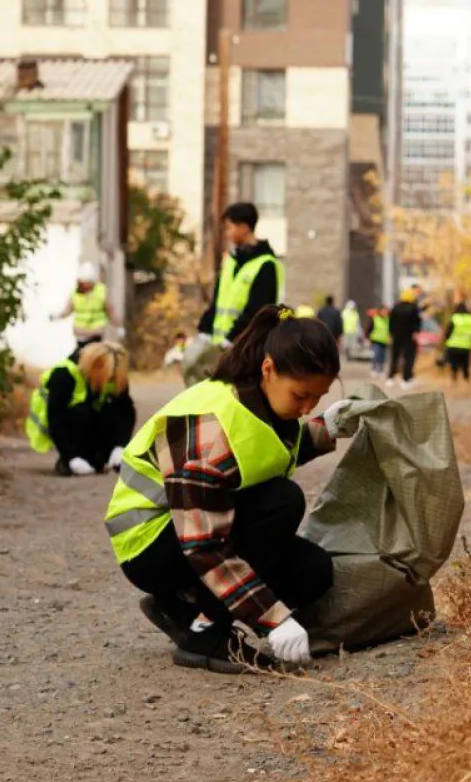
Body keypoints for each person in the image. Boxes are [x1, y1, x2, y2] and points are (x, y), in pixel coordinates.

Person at [105, 306, 359, 672]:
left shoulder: (258, 397)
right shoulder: (209, 424)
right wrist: (273, 619)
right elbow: (204, 546)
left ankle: (179, 606)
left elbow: (264, 453)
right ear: (268, 368)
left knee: (313, 571)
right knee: (282, 501)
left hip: (187, 532)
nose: (307, 409)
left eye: (316, 399)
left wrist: (328, 428)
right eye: (301, 395)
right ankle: (206, 634)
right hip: (150, 544)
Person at [25, 342, 136, 477]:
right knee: (82, 413)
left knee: (115, 409)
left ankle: (105, 456)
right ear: (95, 367)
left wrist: (120, 446)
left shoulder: (114, 374)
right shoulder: (64, 375)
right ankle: (72, 460)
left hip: (92, 427)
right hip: (69, 429)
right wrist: (71, 457)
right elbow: (55, 420)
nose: (110, 381)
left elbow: (126, 412)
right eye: (109, 377)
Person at [199, 202, 282, 344]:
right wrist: (204, 329)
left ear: (243, 228)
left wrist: (232, 338)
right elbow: (216, 302)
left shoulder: (266, 265)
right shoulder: (230, 262)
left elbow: (258, 312)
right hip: (222, 348)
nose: (226, 234)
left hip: (245, 349)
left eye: (229, 228)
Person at [52, 261, 121, 352]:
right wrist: (57, 316)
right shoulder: (75, 294)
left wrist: (118, 326)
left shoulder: (100, 291)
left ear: (92, 282)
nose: (85, 285)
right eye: (82, 282)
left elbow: (110, 310)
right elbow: (68, 309)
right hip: (81, 333)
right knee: (82, 357)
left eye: (87, 283)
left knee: (93, 356)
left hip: (96, 333)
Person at [386, 288, 422, 388]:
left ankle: (390, 378)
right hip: (409, 337)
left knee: (395, 357)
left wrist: (391, 333)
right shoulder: (414, 308)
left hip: (396, 336)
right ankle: (406, 379)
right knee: (408, 358)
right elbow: (417, 322)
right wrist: (416, 332)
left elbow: (390, 322)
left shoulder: (395, 307)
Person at [443, 303, 471, 383]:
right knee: (465, 364)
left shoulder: (454, 318)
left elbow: (448, 331)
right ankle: (467, 380)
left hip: (453, 345)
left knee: (454, 363)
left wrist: (446, 339)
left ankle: (454, 379)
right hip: (466, 346)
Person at [368, 306, 391, 379]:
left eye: (386, 311)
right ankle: (374, 369)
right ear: (380, 311)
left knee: (383, 356)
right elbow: (369, 329)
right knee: (376, 355)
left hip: (384, 341)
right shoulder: (375, 319)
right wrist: (369, 338)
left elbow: (390, 330)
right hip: (376, 340)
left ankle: (381, 370)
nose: (385, 313)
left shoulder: (388, 319)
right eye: (383, 311)